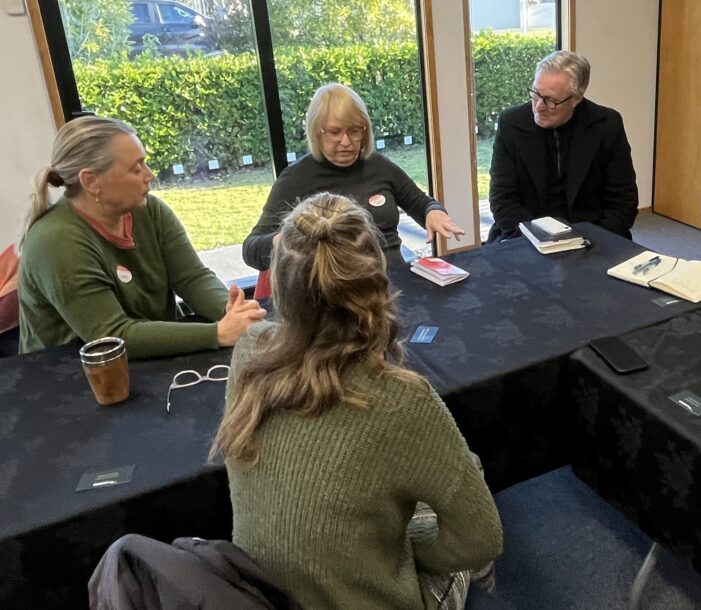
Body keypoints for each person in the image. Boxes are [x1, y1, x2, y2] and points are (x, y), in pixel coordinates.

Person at [212, 193, 502, 610]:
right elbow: (482, 538)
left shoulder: (250, 348)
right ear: (377, 278)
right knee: (468, 472)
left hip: (266, 596)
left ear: (279, 281)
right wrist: (412, 555)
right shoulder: (402, 397)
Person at [18, 116, 265, 359]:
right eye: (136, 168)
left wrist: (231, 311)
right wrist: (218, 333)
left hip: (148, 360)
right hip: (66, 379)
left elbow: (191, 277)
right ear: (91, 181)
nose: (150, 175)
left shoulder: (149, 210)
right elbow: (113, 335)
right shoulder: (55, 241)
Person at [242, 83, 463, 295]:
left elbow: (421, 203)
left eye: (355, 131)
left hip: (394, 285)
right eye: (335, 132)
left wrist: (433, 211)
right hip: (332, 298)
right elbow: (251, 250)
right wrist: (283, 240)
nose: (346, 141)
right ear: (316, 133)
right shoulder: (295, 179)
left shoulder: (379, 166)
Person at [487, 50, 639, 242]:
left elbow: (623, 201)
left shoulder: (607, 125)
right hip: (524, 235)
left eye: (550, 100)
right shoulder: (512, 123)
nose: (539, 106)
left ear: (576, 98)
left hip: (593, 236)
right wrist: (540, 242)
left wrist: (589, 242)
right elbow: (503, 200)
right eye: (535, 93)